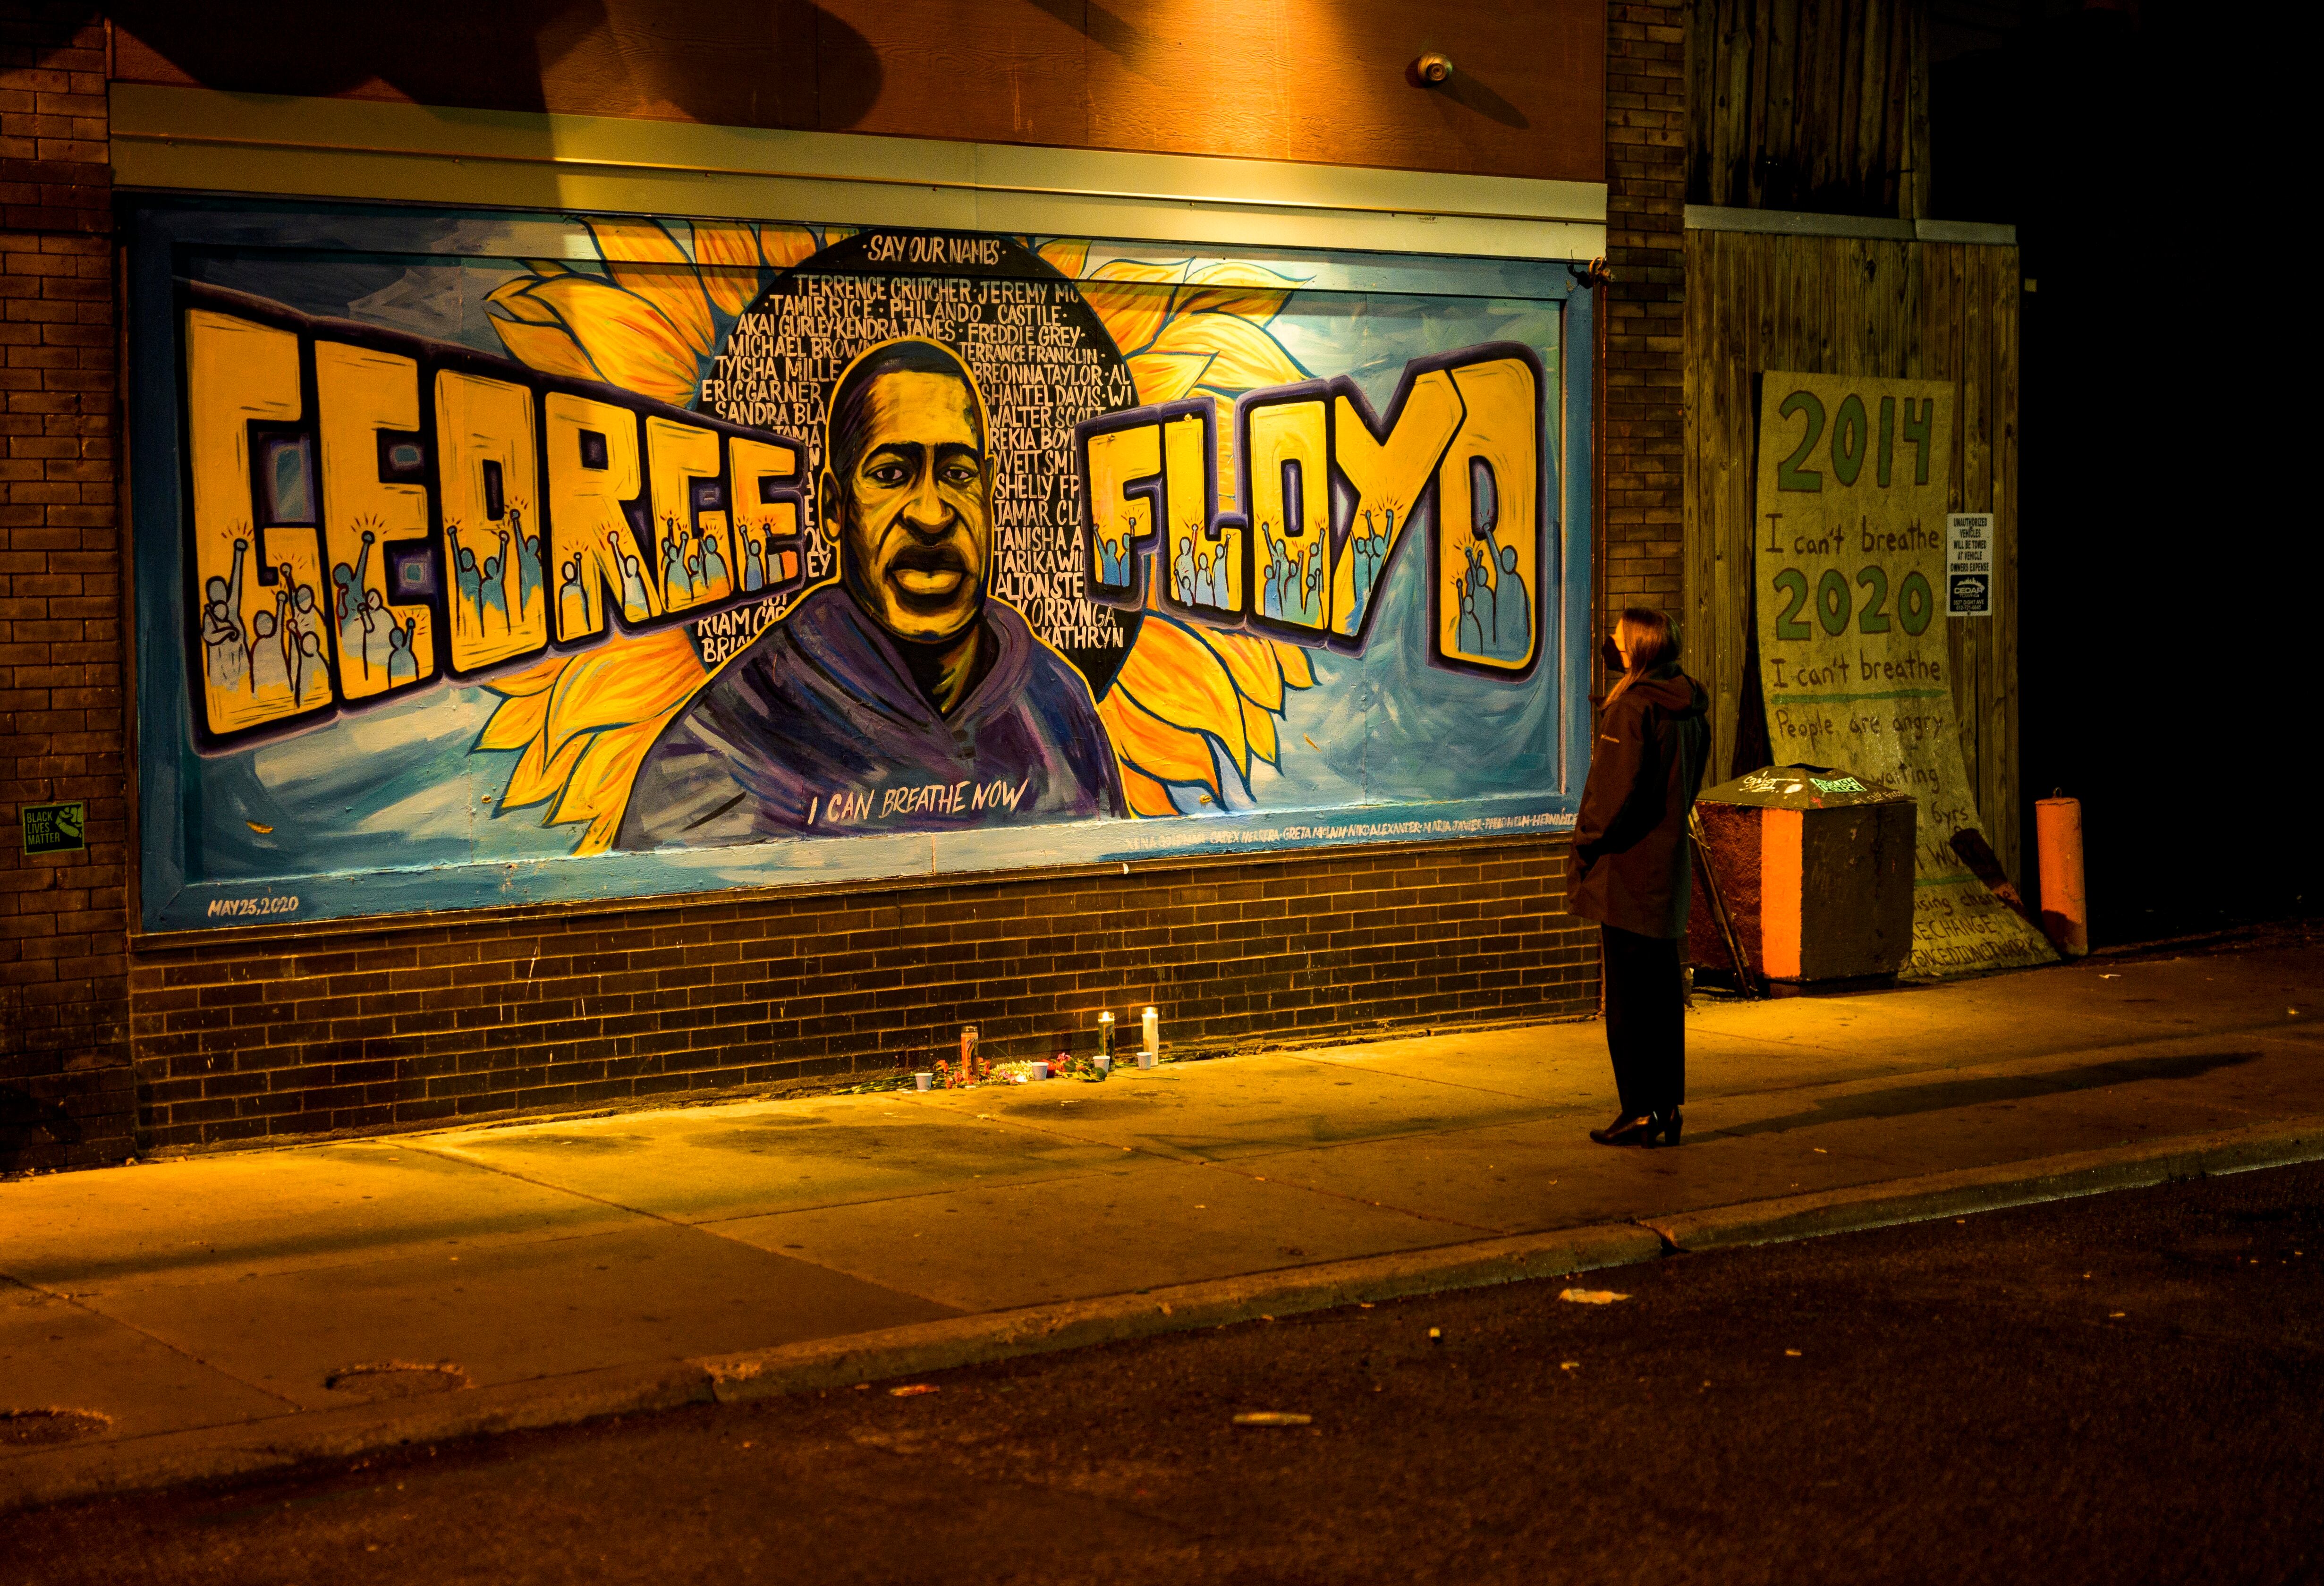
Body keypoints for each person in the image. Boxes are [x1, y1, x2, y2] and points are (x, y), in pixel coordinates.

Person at [614, 337, 1123, 848]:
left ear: (989, 493)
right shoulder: (721, 751)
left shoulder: (1058, 706)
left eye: (957, 474)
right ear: (835, 508)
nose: (931, 514)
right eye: (891, 475)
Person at [1569, 607, 1709, 1148]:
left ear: (1638, 648)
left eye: (1618, 637)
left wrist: (1584, 843)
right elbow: (1690, 780)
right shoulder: (1688, 704)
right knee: (1662, 996)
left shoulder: (1630, 708)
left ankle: (1636, 1109)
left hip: (1627, 871)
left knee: (1629, 999)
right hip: (1667, 864)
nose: (1610, 643)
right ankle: (1666, 1106)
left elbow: (1609, 795)